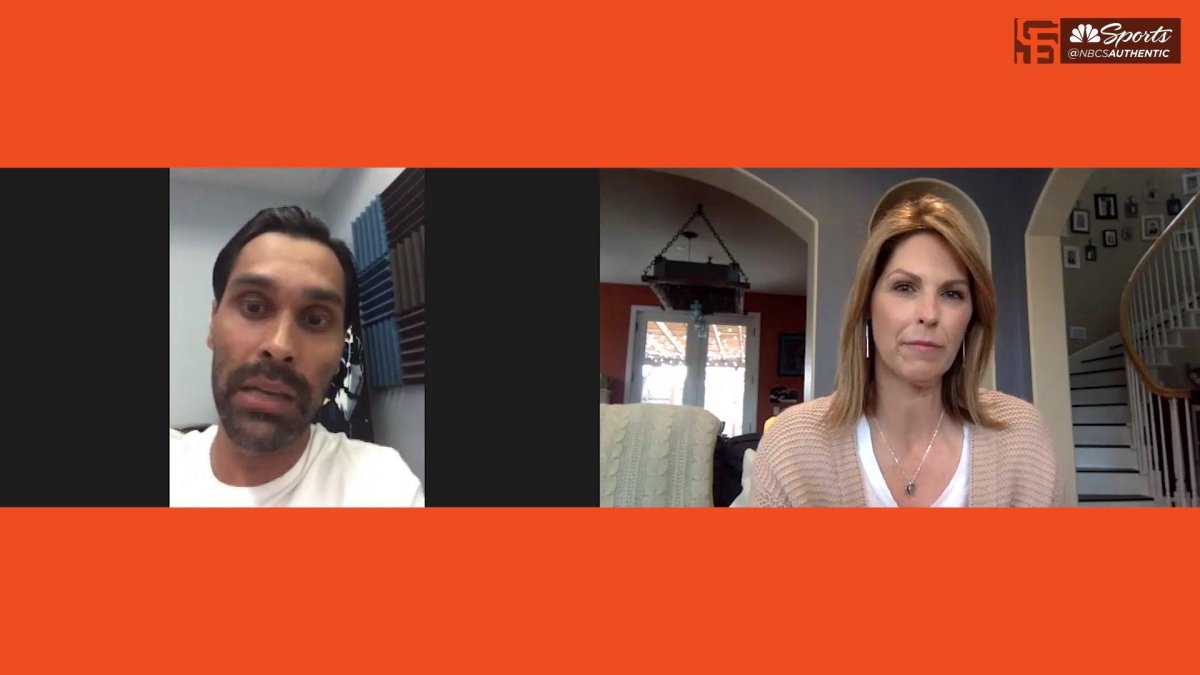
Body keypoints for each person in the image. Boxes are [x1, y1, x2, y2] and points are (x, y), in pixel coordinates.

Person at [751, 195, 1063, 507]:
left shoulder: (1023, 439)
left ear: (971, 319)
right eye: (904, 287)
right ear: (867, 305)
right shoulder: (792, 447)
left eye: (952, 293)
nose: (929, 313)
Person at [170, 206, 424, 507]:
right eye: (254, 307)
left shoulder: (382, 485)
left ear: (342, 346)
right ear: (213, 322)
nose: (279, 346)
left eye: (315, 320)